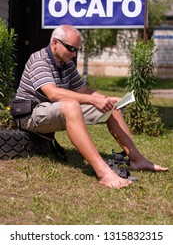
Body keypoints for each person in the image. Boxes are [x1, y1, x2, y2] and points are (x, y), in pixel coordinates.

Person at [12, 24, 168, 189]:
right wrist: (93, 101)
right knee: (71, 106)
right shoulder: (39, 59)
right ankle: (103, 172)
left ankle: (137, 159)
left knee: (111, 107)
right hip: (30, 115)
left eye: (76, 50)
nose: (74, 54)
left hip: (52, 109)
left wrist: (106, 99)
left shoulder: (67, 63)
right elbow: (53, 94)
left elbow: (84, 90)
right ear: (55, 43)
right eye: (71, 48)